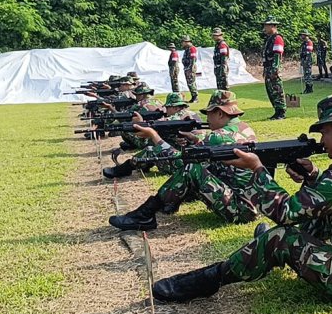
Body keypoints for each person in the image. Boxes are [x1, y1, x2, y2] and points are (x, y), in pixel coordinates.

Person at [150, 90, 332, 306]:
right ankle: (259, 249)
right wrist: (312, 176)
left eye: (325, 131)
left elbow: (285, 211)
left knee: (281, 238)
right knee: (310, 222)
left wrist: (257, 169)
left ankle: (209, 279)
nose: (321, 139)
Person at [108, 90, 260, 231]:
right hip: (252, 202)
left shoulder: (216, 137)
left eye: (209, 114)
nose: (207, 119)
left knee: (191, 169)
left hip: (240, 209)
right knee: (198, 169)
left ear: (220, 113)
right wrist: (195, 140)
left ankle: (145, 215)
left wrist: (154, 136)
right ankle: (167, 204)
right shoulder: (245, 129)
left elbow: (178, 160)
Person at [103, 92, 202, 179]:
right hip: (195, 161)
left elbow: (158, 125)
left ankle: (124, 169)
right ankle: (142, 165)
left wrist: (141, 123)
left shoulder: (178, 117)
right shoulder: (193, 115)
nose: (166, 111)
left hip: (187, 166)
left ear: (175, 107)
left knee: (151, 150)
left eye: (168, 108)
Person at [119, 84, 164, 151]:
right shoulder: (157, 102)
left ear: (142, 95)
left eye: (137, 95)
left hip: (150, 136)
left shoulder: (141, 105)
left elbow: (127, 116)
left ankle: (137, 145)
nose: (135, 97)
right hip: (160, 134)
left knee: (125, 129)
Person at [262, 16, 286, 120]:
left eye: (266, 25)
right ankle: (276, 111)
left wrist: (275, 68)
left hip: (273, 68)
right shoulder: (269, 39)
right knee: (270, 90)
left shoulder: (277, 38)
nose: (264, 28)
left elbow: (277, 54)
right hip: (268, 68)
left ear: (273, 26)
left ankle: (281, 112)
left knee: (277, 90)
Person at [181, 35, 199, 103]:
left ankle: (195, 97)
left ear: (186, 42)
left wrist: (190, 69)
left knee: (191, 83)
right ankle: (193, 97)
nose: (182, 44)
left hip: (190, 68)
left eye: (183, 42)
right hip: (187, 68)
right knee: (189, 83)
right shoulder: (187, 49)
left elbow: (193, 59)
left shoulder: (192, 48)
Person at [299, 29, 315, 94]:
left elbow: (309, 51)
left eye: (302, 35)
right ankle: (307, 87)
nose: (301, 36)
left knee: (308, 74)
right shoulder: (303, 43)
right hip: (304, 60)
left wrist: (303, 55)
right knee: (305, 74)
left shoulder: (309, 42)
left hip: (307, 60)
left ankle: (309, 88)